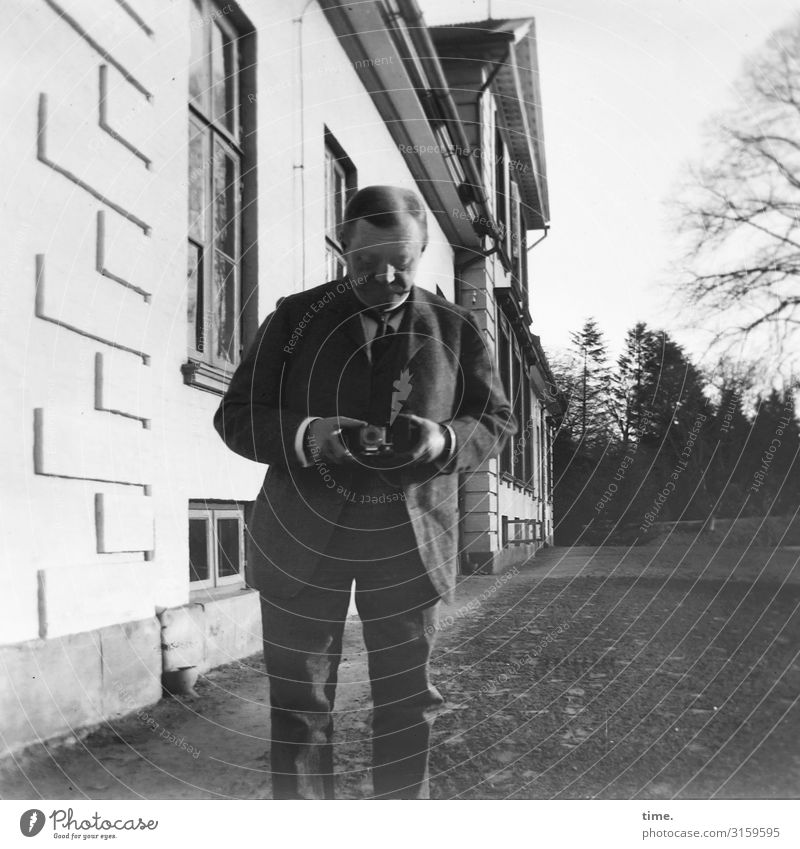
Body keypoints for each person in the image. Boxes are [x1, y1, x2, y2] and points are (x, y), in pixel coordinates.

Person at [214, 185, 516, 799]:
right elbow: (237, 414)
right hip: (304, 536)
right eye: (364, 262)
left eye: (400, 264)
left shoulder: (456, 329)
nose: (383, 277)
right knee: (299, 708)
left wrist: (445, 441)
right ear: (341, 247)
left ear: (422, 252)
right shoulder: (294, 320)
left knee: (409, 704)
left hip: (409, 540)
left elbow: (496, 419)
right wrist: (307, 434)